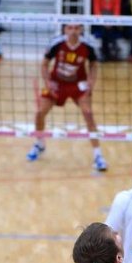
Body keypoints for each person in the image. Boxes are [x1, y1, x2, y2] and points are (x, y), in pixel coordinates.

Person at [26, 24, 108, 171]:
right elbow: (44, 65)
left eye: (76, 28)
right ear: (65, 30)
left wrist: (91, 83)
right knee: (40, 112)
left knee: (88, 114)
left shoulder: (88, 45)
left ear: (81, 29)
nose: (73, 31)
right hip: (56, 83)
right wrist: (48, 83)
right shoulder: (56, 43)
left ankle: (98, 155)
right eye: (70, 28)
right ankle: (39, 143)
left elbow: (94, 65)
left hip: (78, 84)